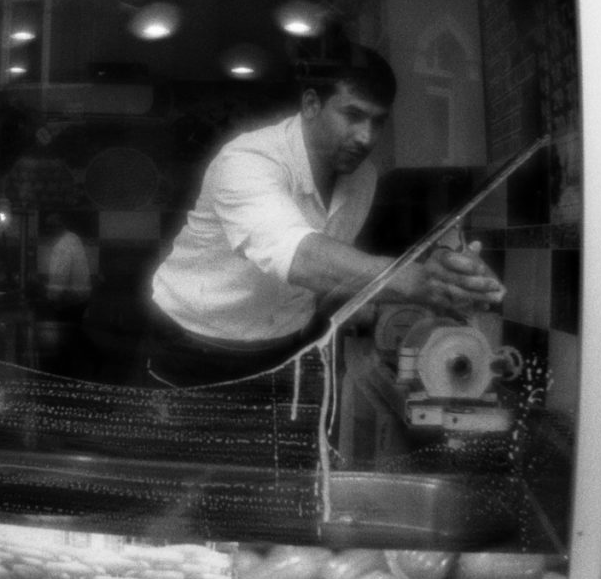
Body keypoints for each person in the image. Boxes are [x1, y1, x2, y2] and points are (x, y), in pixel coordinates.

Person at [147, 43, 505, 386]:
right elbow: (298, 256)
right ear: (311, 104)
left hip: (283, 349)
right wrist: (413, 281)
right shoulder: (246, 160)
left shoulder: (363, 178)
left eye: (378, 122)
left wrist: (444, 272)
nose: (366, 137)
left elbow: (326, 277)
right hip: (190, 348)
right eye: (353, 115)